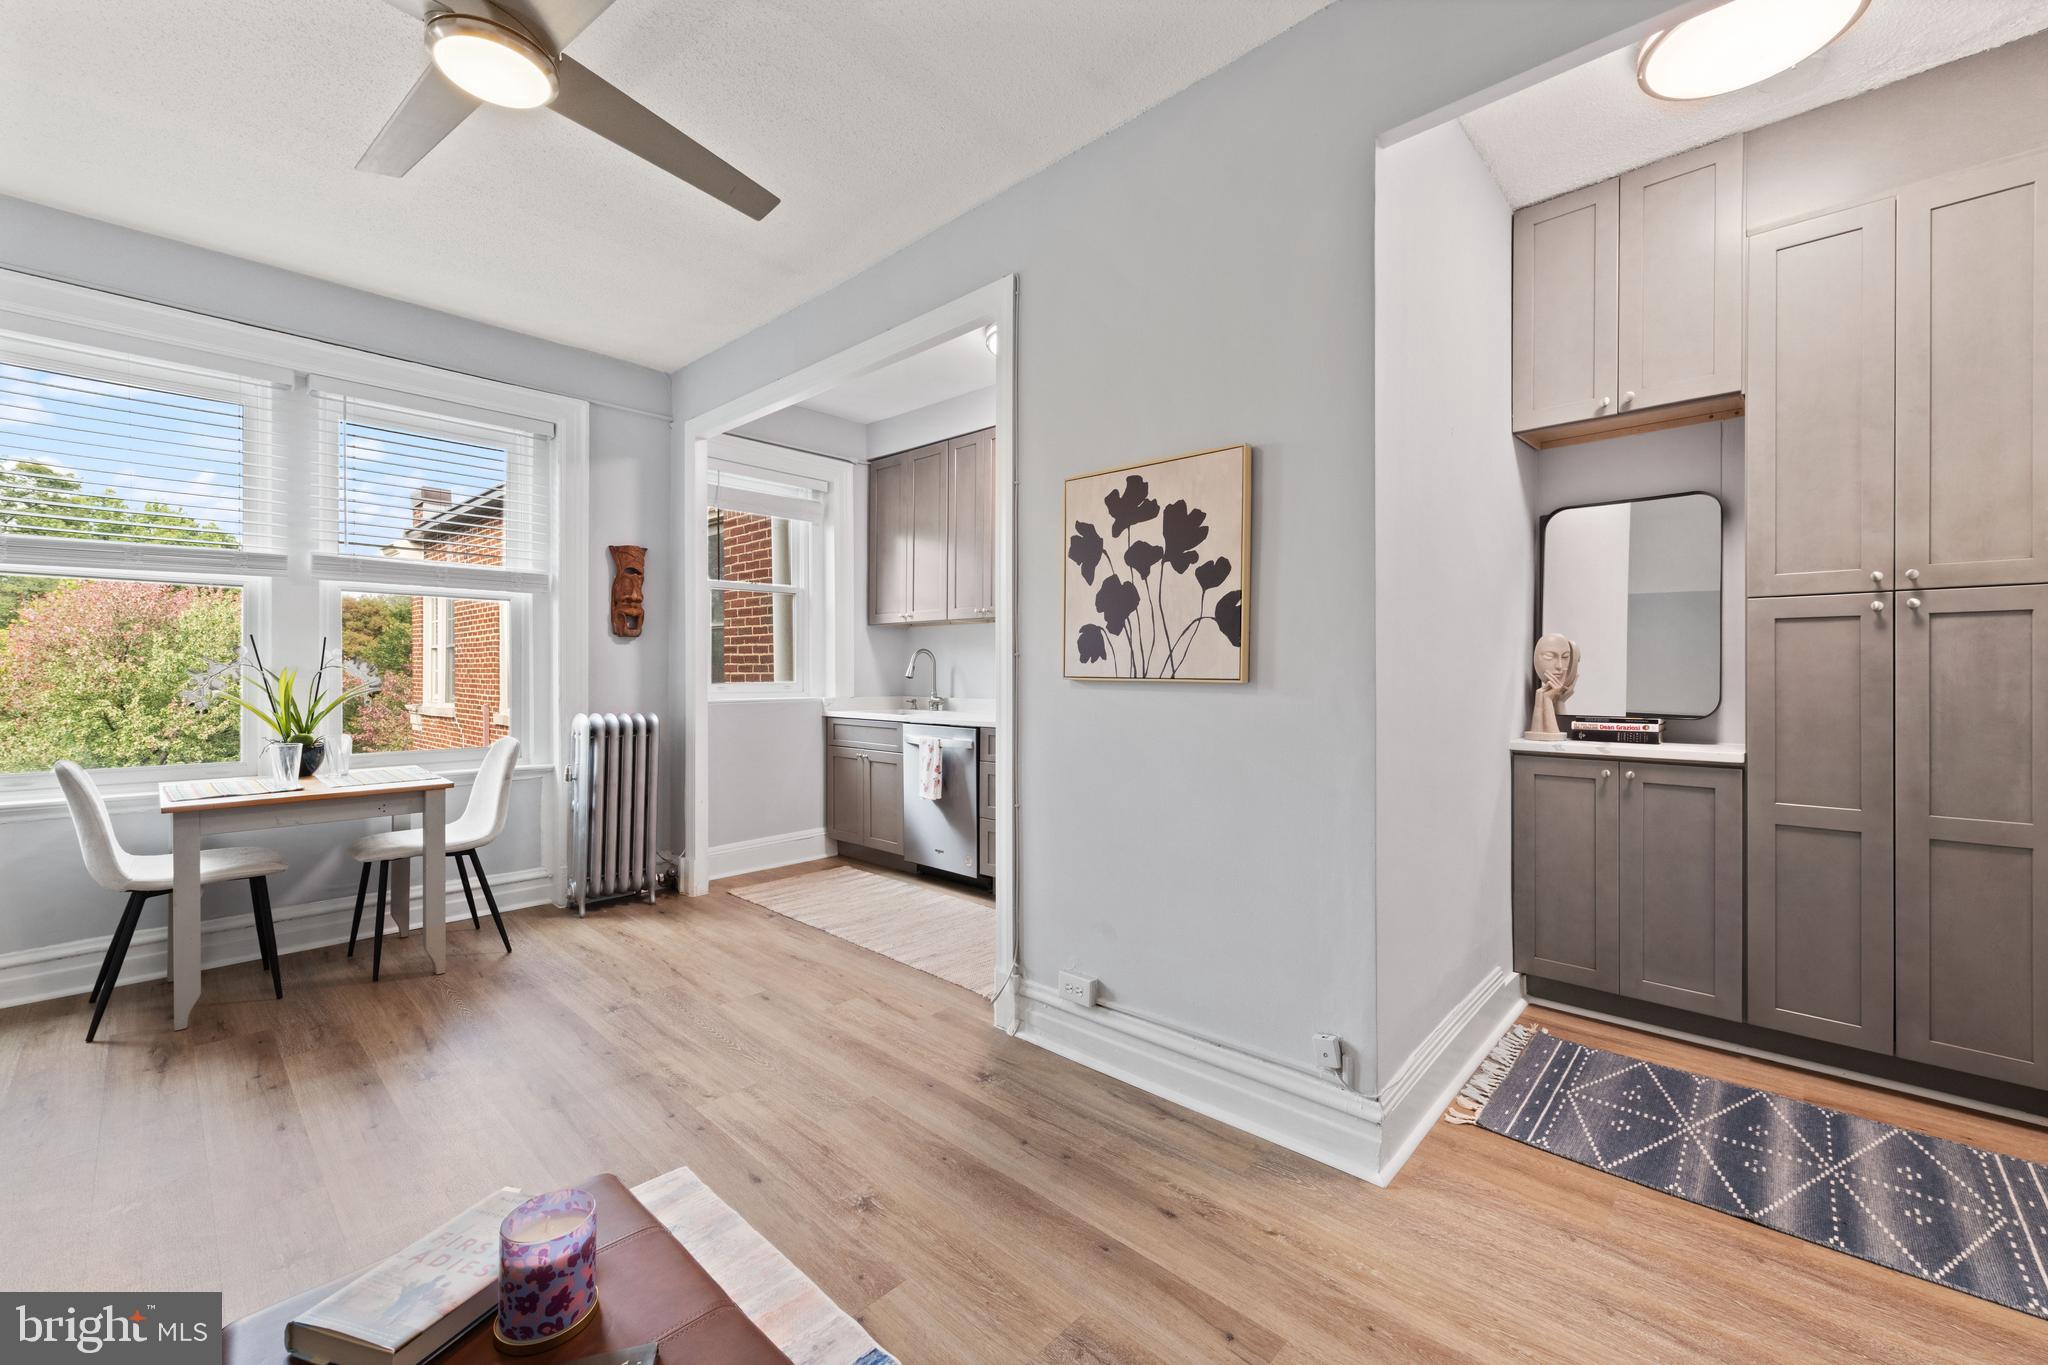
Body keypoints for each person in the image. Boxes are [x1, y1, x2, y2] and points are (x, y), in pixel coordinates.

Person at [1525, 633, 1579, 740]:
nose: (1559, 666)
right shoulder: (1541, 695)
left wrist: (1559, 701)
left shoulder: (1543, 695)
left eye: (1565, 657)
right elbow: (1552, 737)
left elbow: (1563, 733)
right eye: (1550, 656)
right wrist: (1548, 699)